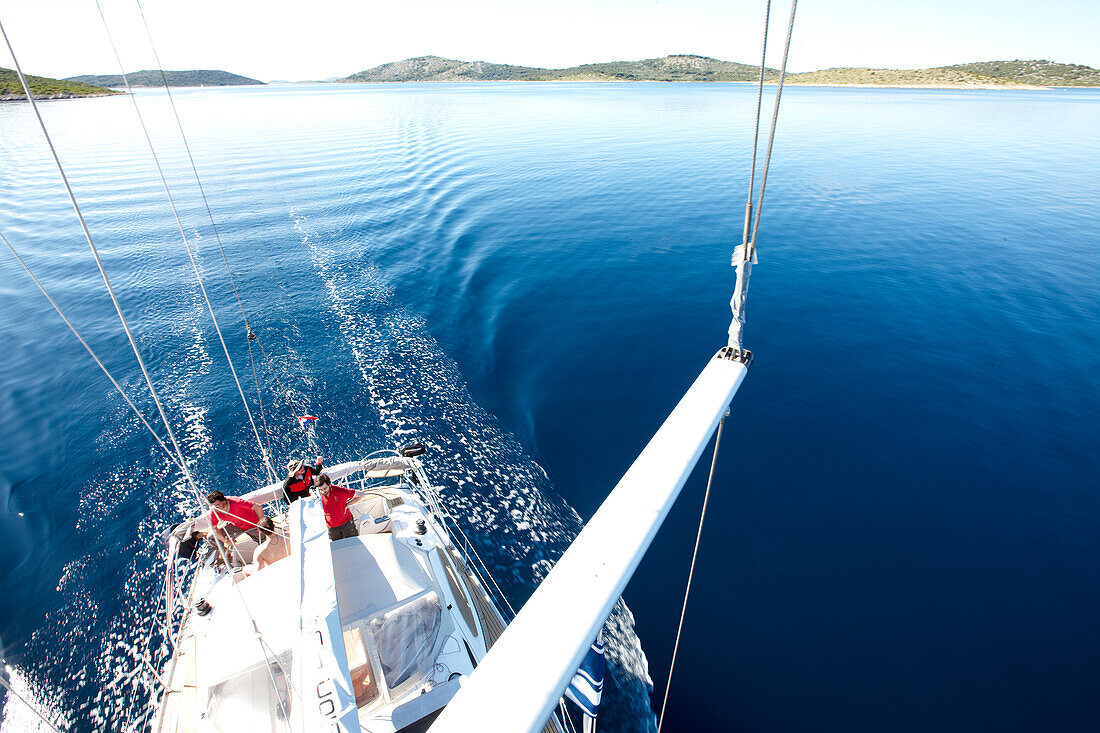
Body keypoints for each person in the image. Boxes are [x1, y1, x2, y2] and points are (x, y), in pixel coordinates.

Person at [207, 491, 263, 561]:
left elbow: (257, 507)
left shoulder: (236, 502)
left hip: (253, 525)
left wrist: (261, 525)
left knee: (263, 541)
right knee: (211, 537)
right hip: (237, 526)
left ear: (224, 501)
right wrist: (226, 541)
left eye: (218, 505)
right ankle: (225, 556)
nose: (216, 508)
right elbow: (214, 528)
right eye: (213, 506)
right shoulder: (215, 510)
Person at [315, 473, 363, 541]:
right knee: (337, 548)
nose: (323, 492)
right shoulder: (318, 495)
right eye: (320, 489)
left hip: (346, 524)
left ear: (329, 485)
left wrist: (348, 504)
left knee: (353, 543)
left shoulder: (340, 491)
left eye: (325, 488)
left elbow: (361, 495)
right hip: (332, 528)